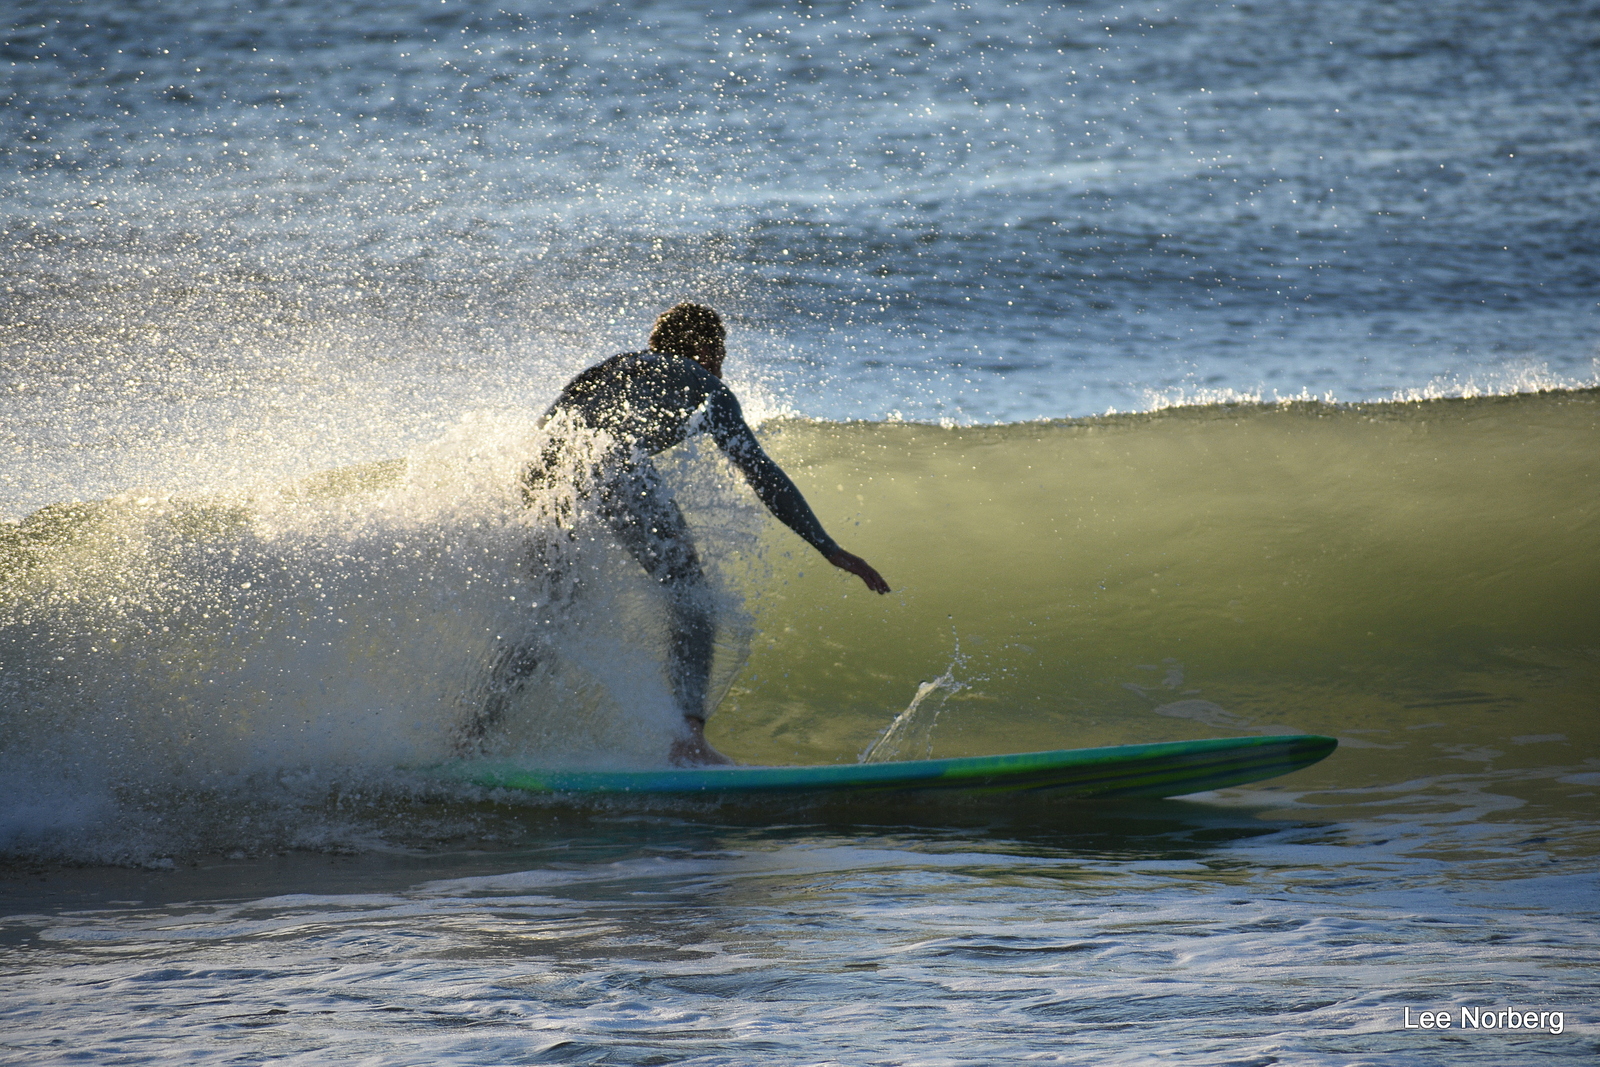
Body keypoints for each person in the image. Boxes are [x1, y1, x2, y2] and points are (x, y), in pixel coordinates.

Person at [517, 303, 890, 765]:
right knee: (692, 595)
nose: (723, 361)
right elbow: (760, 472)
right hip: (606, 462)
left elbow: (555, 430)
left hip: (539, 471)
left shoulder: (617, 366)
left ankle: (469, 736)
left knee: (554, 609)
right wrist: (827, 546)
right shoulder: (705, 384)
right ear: (701, 347)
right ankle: (689, 744)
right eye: (721, 350)